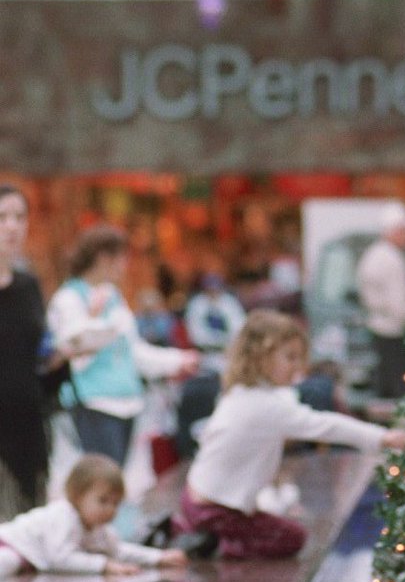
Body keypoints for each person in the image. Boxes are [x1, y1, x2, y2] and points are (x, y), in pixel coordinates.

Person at [172, 309, 405, 560]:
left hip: (199, 497)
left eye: (299, 358)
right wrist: (382, 437)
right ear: (261, 358)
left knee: (280, 529)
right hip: (215, 509)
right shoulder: (265, 404)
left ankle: (198, 531)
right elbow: (323, 425)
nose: (298, 367)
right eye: (290, 358)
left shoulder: (242, 391)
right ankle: (211, 543)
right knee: (291, 538)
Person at [47, 224, 200, 466]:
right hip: (93, 404)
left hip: (127, 402)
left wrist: (177, 361)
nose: (125, 265)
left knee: (119, 479)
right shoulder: (69, 298)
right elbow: (72, 348)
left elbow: (132, 350)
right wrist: (95, 316)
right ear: (103, 258)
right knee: (103, 479)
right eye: (122, 258)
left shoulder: (113, 296)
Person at [0, 184, 73, 518]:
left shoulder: (28, 286)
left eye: (19, 217)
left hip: (28, 428)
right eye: (2, 217)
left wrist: (60, 358)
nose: (12, 226)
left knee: (30, 531)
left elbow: (37, 358)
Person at [0, 454, 186, 577]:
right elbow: (59, 559)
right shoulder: (65, 516)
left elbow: (117, 550)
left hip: (28, 559)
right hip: (10, 543)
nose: (110, 509)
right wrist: (103, 566)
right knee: (9, 562)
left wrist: (158, 557)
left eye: (115, 503)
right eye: (103, 501)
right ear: (77, 496)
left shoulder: (98, 528)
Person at [356, 205, 405, 399]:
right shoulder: (392, 259)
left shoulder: (373, 254)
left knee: (384, 386)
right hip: (393, 331)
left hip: (378, 327)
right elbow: (398, 306)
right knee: (401, 387)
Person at [184, 272, 246, 362]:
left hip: (231, 351)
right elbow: (197, 336)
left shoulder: (229, 301)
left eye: (216, 289)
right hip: (206, 353)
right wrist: (219, 342)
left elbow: (239, 326)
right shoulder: (197, 304)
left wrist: (230, 344)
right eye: (210, 289)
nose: (213, 292)